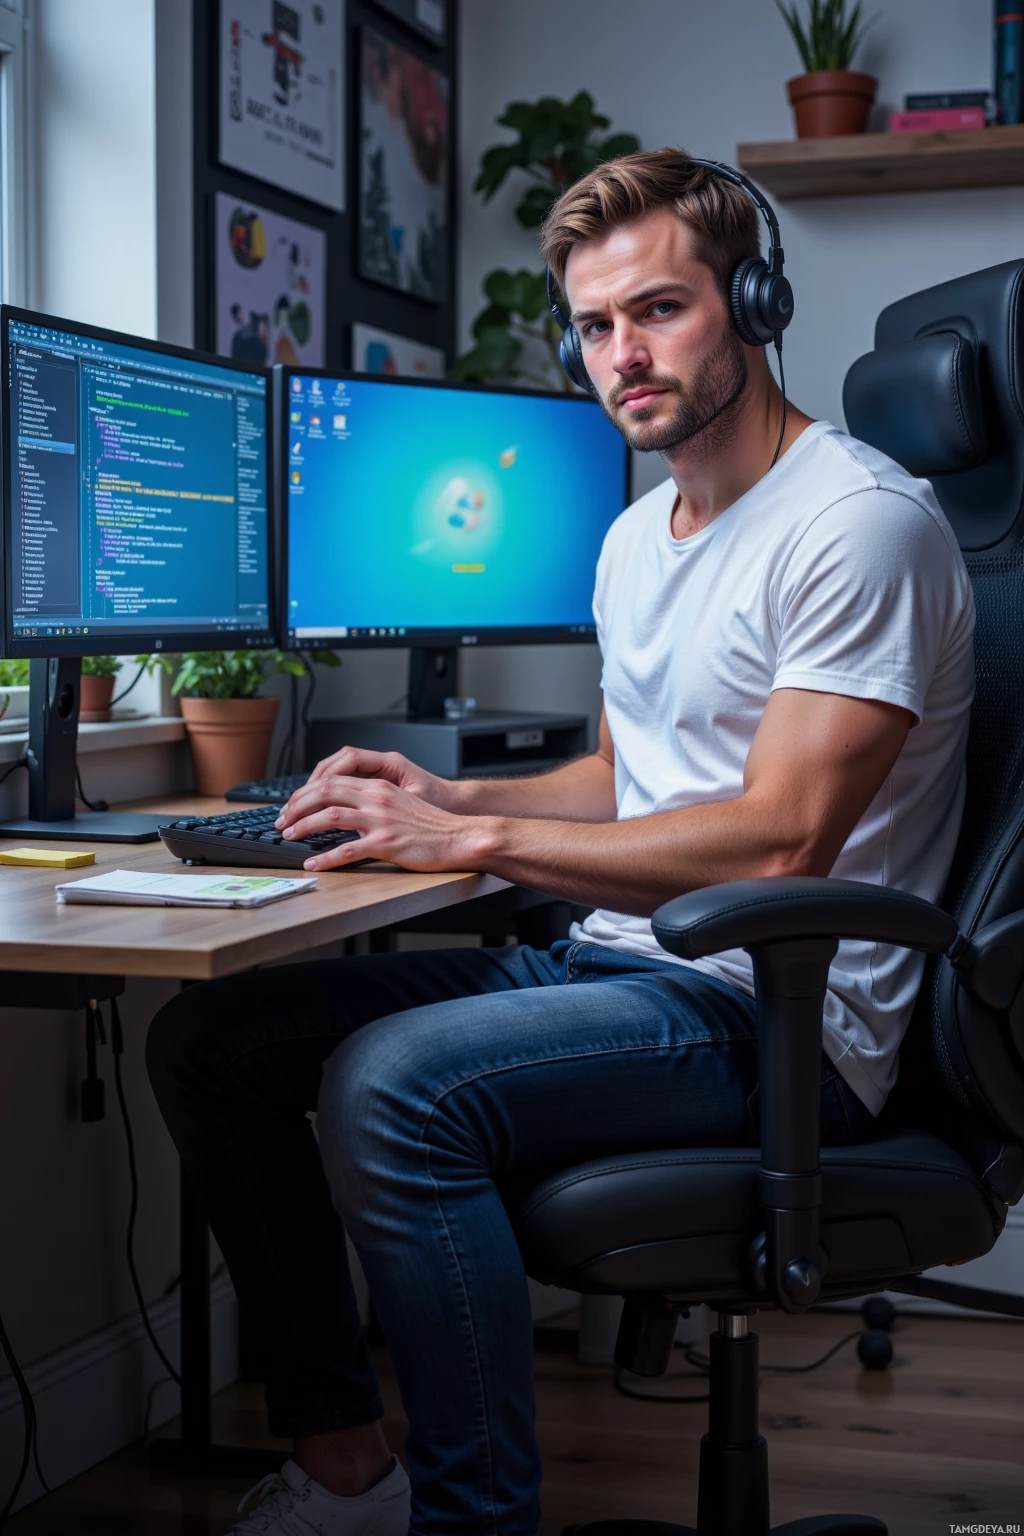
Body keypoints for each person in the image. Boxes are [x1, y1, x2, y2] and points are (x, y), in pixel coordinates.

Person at [147, 149, 975, 1536]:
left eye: (660, 309)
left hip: (782, 1017)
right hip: (621, 970)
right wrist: (447, 802)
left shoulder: (858, 525)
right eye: (595, 326)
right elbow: (622, 772)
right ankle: (348, 1462)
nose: (624, 355)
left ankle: (478, 1523)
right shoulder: (639, 536)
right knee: (210, 1045)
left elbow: (780, 841)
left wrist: (475, 844)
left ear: (755, 304)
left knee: (394, 1089)